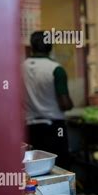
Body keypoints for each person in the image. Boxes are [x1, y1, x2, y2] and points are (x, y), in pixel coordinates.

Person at [23, 31, 73, 169]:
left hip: (29, 129)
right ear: (50, 47)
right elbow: (65, 104)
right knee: (59, 167)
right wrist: (70, 104)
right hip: (53, 129)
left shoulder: (20, 68)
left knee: (32, 168)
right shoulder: (56, 69)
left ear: (31, 46)